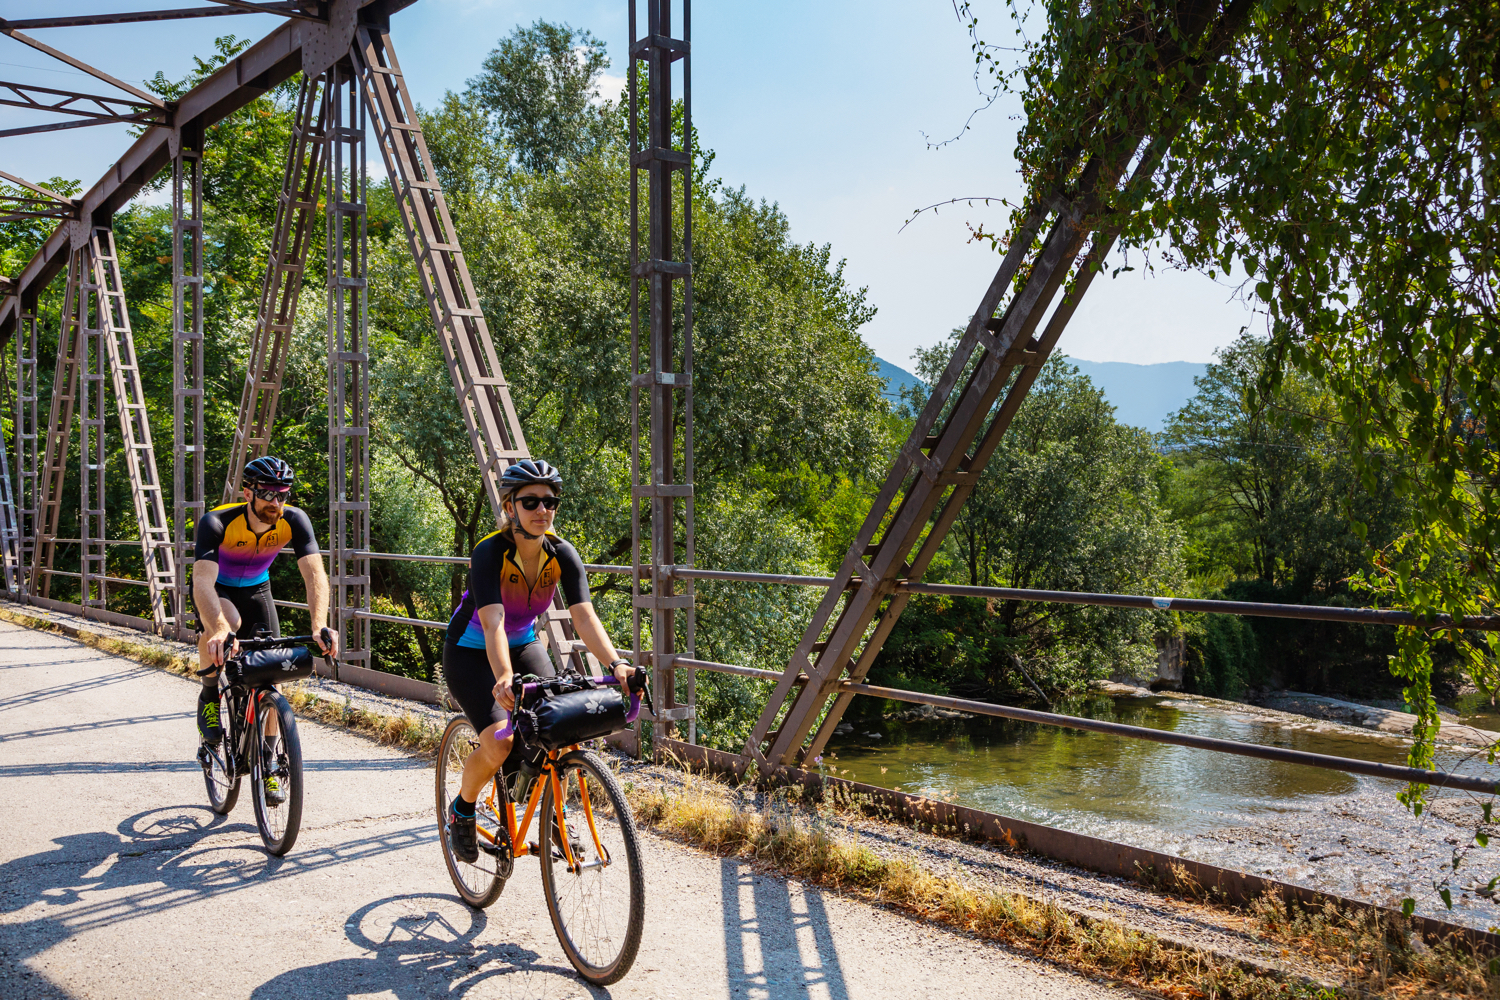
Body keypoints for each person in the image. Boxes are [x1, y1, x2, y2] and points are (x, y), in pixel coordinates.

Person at [443, 459, 633, 864]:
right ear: (510, 507)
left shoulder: (562, 553)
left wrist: (617, 664)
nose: (542, 511)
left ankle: (552, 816)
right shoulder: (490, 552)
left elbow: (583, 616)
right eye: (530, 502)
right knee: (501, 741)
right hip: (471, 652)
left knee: (560, 727)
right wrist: (505, 677)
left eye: (550, 502)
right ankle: (462, 807)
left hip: (524, 644)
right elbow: (492, 622)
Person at [192, 456, 339, 803]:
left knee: (268, 674)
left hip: (258, 590)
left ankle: (270, 764)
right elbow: (201, 581)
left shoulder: (294, 520)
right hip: (220, 590)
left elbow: (315, 574)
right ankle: (210, 695)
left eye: (282, 495)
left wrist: (319, 625)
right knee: (229, 628)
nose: (276, 503)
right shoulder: (217, 522)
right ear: (248, 492)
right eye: (268, 494)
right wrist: (218, 629)